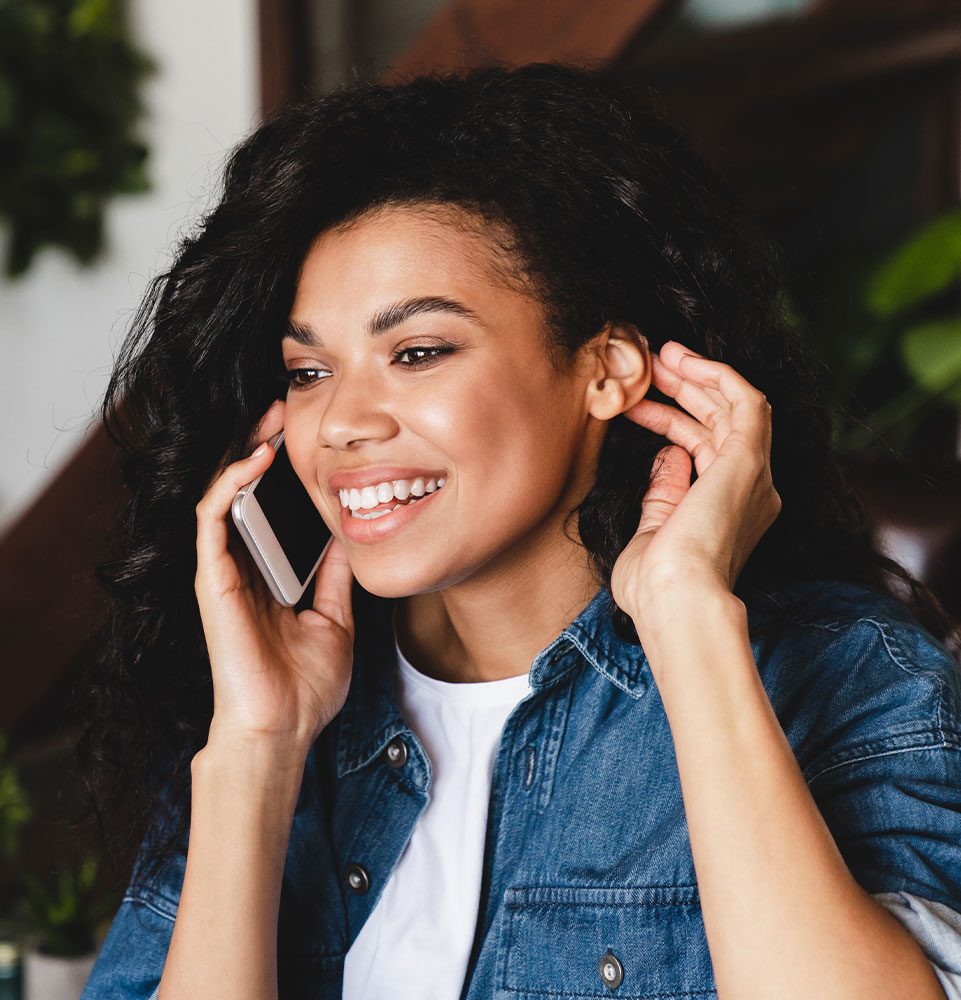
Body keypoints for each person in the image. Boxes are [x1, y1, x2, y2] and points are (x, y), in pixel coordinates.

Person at [77, 63, 961, 1000]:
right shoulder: (279, 709)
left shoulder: (862, 685)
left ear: (607, 369)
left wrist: (688, 621)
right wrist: (257, 752)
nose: (339, 421)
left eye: (416, 352)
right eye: (307, 372)